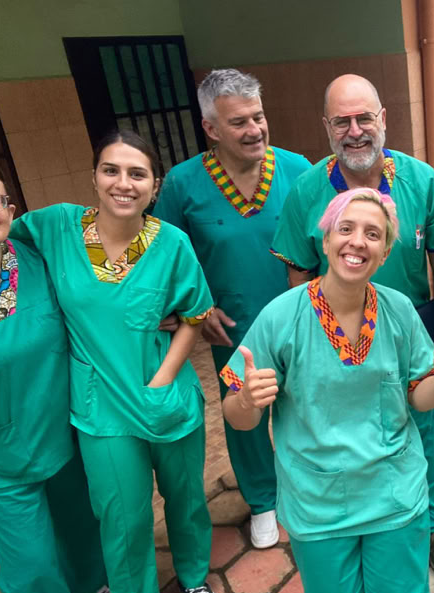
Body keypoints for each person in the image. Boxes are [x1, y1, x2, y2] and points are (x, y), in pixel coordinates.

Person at [224, 187, 434, 593]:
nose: (357, 241)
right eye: (346, 229)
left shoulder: (397, 309)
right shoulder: (282, 315)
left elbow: (419, 398)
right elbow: (238, 416)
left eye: (373, 234)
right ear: (326, 240)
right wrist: (248, 400)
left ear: (385, 252)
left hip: (393, 491)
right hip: (317, 499)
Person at [9, 130, 219, 593]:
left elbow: (195, 316)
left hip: (164, 396)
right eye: (111, 170)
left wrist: (163, 380)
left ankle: (193, 576)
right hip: (100, 406)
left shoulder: (172, 243)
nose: (123, 183)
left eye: (137, 173)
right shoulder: (55, 227)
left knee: (185, 497)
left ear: (154, 186)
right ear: (94, 176)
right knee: (121, 516)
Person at [271, 74, 434, 575]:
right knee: (348, 431)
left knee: (421, 427)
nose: (355, 131)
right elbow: (298, 271)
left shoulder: (421, 181)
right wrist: (301, 345)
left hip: (410, 331)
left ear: (383, 119)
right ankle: (357, 525)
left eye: (364, 118)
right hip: (334, 337)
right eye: (342, 121)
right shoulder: (307, 190)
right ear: (326, 127)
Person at [0, 160, 119, 593]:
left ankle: (95, 592)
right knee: (31, 561)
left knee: (82, 528)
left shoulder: (36, 258)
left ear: (10, 208)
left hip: (62, 431)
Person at [154, 69, 311, 550]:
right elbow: (167, 256)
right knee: (245, 411)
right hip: (235, 326)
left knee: (307, 404)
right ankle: (262, 500)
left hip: (304, 318)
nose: (254, 129)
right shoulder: (183, 184)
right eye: (239, 122)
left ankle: (307, 485)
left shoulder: (298, 170)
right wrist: (197, 308)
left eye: (258, 117)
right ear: (211, 128)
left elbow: (324, 239)